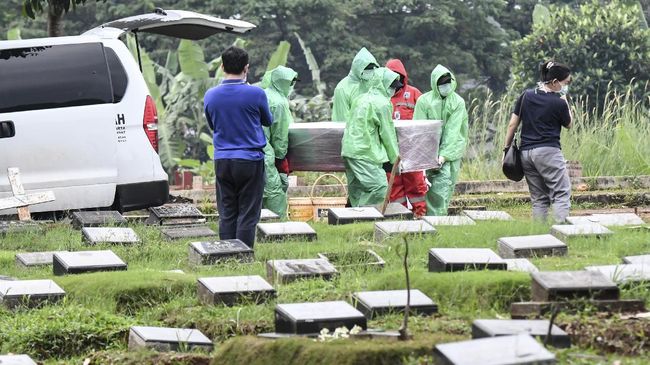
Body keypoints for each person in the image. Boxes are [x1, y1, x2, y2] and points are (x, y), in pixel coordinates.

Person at [204, 46, 273, 248]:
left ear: (223, 66)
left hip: (223, 159)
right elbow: (268, 121)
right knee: (248, 211)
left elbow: (212, 124)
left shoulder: (211, 95)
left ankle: (226, 253)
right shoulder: (256, 94)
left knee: (227, 211)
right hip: (250, 160)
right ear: (247, 68)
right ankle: (243, 254)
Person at [504, 61, 573, 223]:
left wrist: (506, 149)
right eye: (565, 83)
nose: (566, 86)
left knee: (539, 198)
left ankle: (538, 236)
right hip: (548, 152)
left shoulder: (526, 95)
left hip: (526, 154)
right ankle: (562, 231)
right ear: (555, 82)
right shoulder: (559, 102)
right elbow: (569, 124)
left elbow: (512, 124)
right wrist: (566, 101)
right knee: (561, 193)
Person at [342, 67, 401, 207]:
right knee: (379, 187)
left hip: (349, 150)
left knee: (357, 190)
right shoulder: (383, 104)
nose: (393, 91)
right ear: (382, 84)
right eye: (391, 87)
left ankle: (354, 222)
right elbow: (388, 133)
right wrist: (395, 158)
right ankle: (365, 216)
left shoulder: (360, 98)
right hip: (365, 152)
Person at [414, 65, 468, 216]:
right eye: (442, 83)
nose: (446, 86)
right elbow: (420, 129)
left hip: (449, 154)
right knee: (423, 189)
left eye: (448, 82)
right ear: (435, 84)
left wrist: (443, 156)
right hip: (426, 155)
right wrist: (425, 156)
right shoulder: (424, 101)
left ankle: (438, 221)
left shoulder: (457, 102)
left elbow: (453, 132)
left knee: (443, 189)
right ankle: (429, 220)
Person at [384, 58, 427, 217]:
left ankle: (420, 216)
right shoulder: (382, 97)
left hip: (412, 151)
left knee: (416, 185)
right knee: (394, 187)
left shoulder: (415, 94)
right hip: (389, 151)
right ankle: (399, 217)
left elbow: (426, 121)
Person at [260, 66, 298, 219]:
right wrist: (281, 157)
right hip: (267, 153)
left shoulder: (265, 94)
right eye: (290, 83)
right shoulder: (279, 103)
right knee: (275, 191)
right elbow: (280, 135)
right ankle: (279, 229)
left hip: (253, 150)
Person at [331, 47, 380, 123]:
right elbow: (341, 120)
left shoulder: (373, 84)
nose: (369, 71)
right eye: (366, 68)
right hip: (351, 133)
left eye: (371, 68)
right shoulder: (342, 88)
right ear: (358, 68)